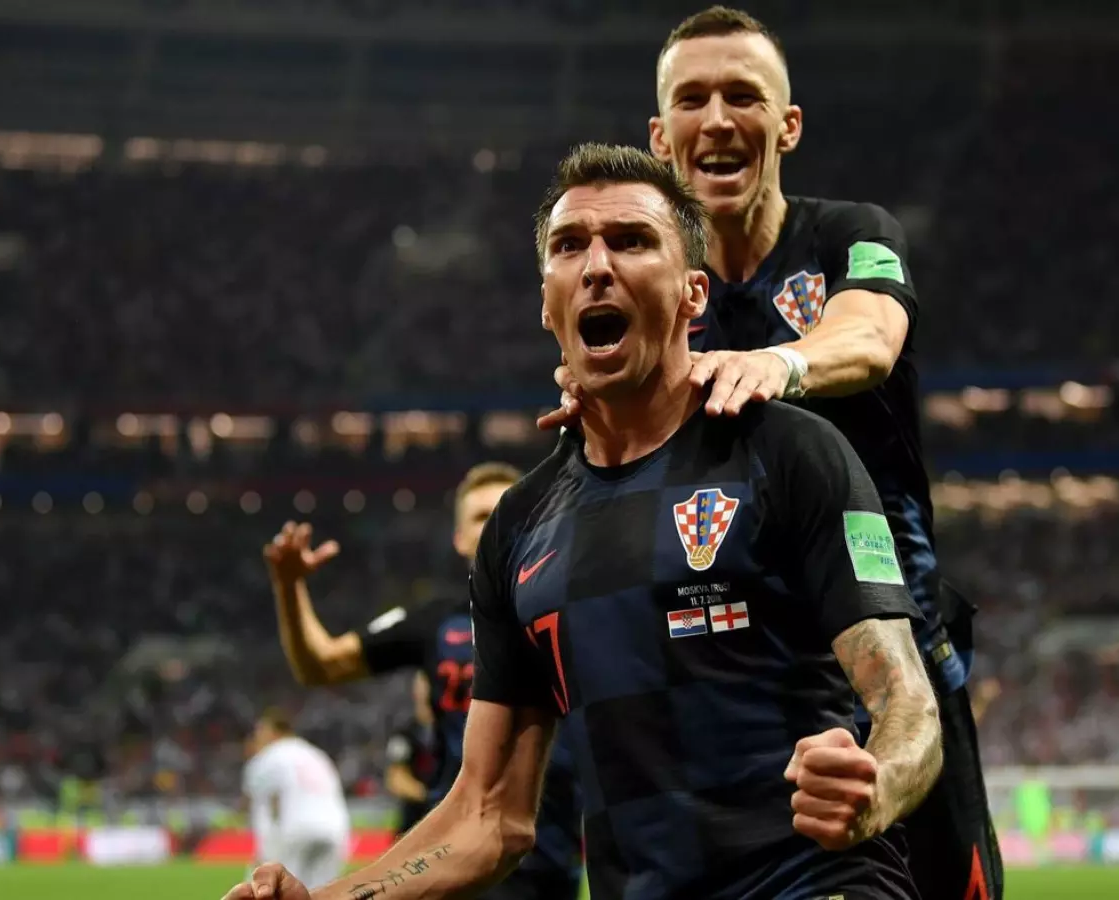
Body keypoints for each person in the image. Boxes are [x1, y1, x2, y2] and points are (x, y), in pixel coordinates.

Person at [223, 144, 944, 900]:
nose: (597, 265)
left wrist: (878, 781)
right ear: (547, 303)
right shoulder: (519, 528)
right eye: (570, 246)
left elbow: (908, 705)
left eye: (632, 241)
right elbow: (489, 815)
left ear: (694, 294)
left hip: (814, 882)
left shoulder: (787, 452)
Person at [533, 8, 1003, 898]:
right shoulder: (649, 288)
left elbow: (871, 339)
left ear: (787, 126)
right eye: (692, 99)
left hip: (889, 643)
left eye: (742, 96)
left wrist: (777, 364)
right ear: (660, 137)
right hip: (739, 673)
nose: (717, 119)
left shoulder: (852, 235)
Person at [260, 462, 583, 900]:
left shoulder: (580, 612)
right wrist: (288, 588)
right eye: (480, 516)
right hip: (457, 861)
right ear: (460, 539)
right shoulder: (436, 621)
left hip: (553, 861)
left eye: (509, 511)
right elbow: (322, 664)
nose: (496, 525)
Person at [241, 709, 351, 890]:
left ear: (274, 732)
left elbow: (266, 808)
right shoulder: (317, 754)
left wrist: (264, 851)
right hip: (335, 830)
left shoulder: (269, 756)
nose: (256, 737)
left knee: (278, 890)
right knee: (320, 892)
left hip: (296, 829)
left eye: (260, 731)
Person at [385, 673, 442, 837]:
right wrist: (431, 796)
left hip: (445, 822)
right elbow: (396, 779)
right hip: (413, 824)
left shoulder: (454, 730)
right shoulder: (406, 734)